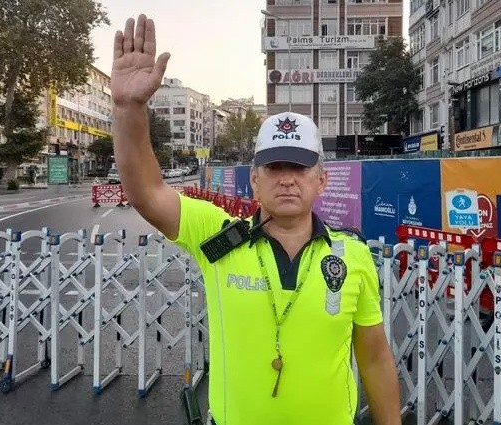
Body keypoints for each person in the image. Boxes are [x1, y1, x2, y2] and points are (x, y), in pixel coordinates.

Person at [111, 14, 401, 425]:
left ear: (321, 180)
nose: (286, 179)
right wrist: (128, 109)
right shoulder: (218, 237)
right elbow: (146, 192)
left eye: (299, 167)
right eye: (274, 167)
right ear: (254, 181)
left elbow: (374, 358)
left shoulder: (351, 255)